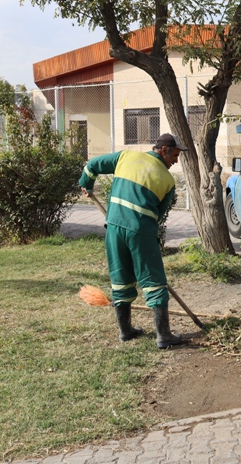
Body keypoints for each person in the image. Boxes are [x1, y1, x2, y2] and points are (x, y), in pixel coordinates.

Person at [79, 133, 188, 348]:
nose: (176, 161)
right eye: (175, 155)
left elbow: (92, 165)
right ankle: (164, 335)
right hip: (142, 231)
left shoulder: (125, 157)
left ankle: (125, 331)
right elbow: (158, 215)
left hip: (114, 228)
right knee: (153, 279)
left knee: (120, 277)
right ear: (164, 151)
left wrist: (86, 185)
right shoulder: (167, 182)